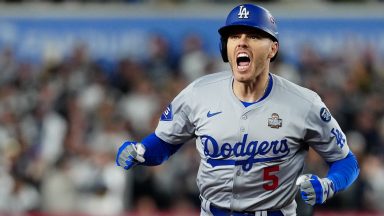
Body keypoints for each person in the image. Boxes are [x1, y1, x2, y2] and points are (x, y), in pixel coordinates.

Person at [116, 4, 360, 216]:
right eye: (234, 36)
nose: (242, 41)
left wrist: (330, 184)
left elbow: (346, 161)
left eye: (253, 35)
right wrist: (142, 151)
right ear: (225, 48)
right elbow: (165, 142)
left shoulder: (304, 103)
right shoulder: (199, 93)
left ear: (272, 49)